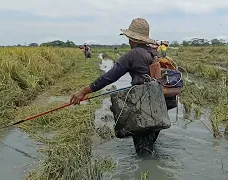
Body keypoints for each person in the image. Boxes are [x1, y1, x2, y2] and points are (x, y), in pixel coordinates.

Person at [70, 18, 164, 155]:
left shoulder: (132, 54)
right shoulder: (153, 52)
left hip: (143, 109)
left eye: (129, 38)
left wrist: (83, 92)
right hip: (157, 107)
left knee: (143, 152)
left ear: (133, 38)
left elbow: (109, 77)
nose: (128, 41)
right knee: (150, 143)